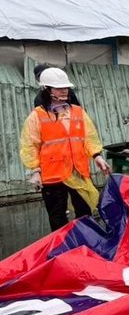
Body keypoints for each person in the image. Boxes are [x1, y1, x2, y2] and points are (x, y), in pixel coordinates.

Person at [19, 67, 111, 231]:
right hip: (53, 174)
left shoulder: (78, 112)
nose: (64, 91)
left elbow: (89, 137)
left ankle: (85, 243)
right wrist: (35, 171)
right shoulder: (37, 116)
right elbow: (29, 145)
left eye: (66, 87)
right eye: (58, 88)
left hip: (78, 171)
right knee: (57, 217)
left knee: (84, 213)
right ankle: (61, 246)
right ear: (47, 89)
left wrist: (97, 156)